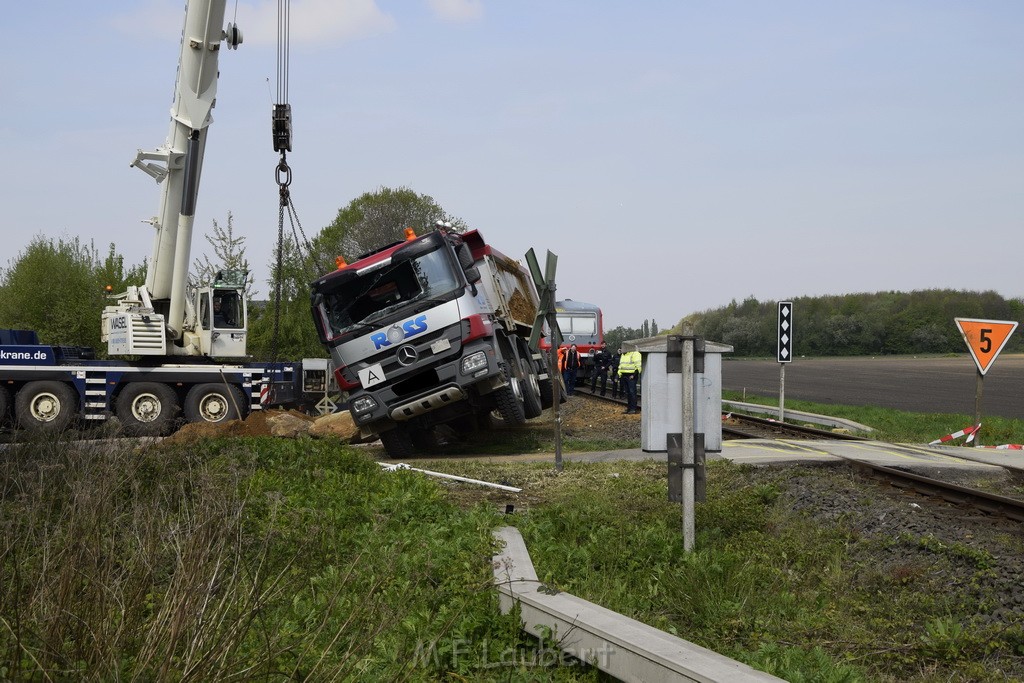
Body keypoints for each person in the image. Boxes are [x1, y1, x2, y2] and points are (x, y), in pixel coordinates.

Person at [617, 345, 642, 414]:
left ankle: (633, 409)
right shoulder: (623, 355)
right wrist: (618, 374)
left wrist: (634, 375)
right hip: (624, 375)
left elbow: (638, 366)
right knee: (628, 392)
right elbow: (621, 366)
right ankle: (629, 408)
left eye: (622, 348)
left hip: (631, 376)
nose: (621, 349)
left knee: (632, 392)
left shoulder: (635, 353)